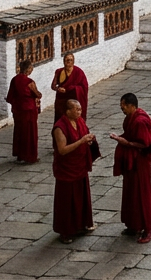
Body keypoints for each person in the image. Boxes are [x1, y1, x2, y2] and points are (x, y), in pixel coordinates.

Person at [109, 93, 151, 243]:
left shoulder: (141, 121)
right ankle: (134, 225)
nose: (121, 108)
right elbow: (130, 135)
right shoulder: (131, 117)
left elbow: (145, 144)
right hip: (131, 163)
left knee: (141, 194)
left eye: (123, 105)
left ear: (131, 105)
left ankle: (148, 229)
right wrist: (120, 138)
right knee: (130, 194)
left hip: (140, 163)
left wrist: (125, 143)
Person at [52, 99, 99, 243]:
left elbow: (84, 135)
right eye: (76, 109)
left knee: (81, 198)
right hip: (67, 169)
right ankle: (65, 232)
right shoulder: (60, 127)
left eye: (80, 109)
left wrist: (89, 140)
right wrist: (81, 141)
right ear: (67, 111)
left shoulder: (80, 122)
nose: (80, 112)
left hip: (80, 166)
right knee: (67, 201)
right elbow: (62, 150)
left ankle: (81, 224)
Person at [5, 60, 42, 164]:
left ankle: (20, 155)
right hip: (29, 110)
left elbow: (10, 97)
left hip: (18, 110)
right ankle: (30, 157)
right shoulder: (29, 82)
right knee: (30, 133)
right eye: (31, 68)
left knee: (19, 132)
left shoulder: (14, 80)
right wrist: (39, 94)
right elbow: (37, 94)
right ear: (28, 69)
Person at [51, 53, 88, 122]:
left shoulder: (78, 72)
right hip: (61, 99)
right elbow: (53, 85)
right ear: (63, 61)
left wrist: (72, 88)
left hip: (73, 99)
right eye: (66, 60)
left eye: (70, 60)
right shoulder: (59, 71)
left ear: (73, 61)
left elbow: (84, 87)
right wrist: (58, 89)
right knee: (61, 120)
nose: (68, 62)